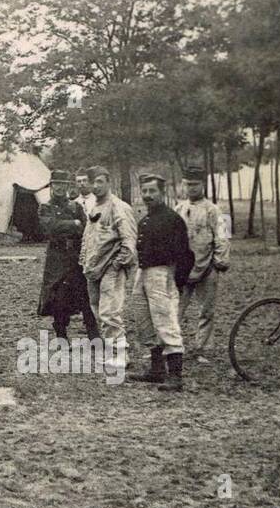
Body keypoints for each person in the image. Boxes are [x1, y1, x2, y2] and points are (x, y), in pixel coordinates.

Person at [129, 174, 193, 391]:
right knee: (143, 319)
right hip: (143, 271)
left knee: (165, 320)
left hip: (163, 273)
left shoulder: (172, 219)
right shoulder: (145, 220)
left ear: (162, 193)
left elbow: (185, 254)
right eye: (144, 191)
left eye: (152, 191)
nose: (147, 196)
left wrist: (177, 282)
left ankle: (175, 375)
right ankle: (157, 370)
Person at [81, 166, 137, 376]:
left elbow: (129, 241)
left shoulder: (118, 207)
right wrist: (85, 262)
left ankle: (121, 355)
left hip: (111, 268)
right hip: (93, 269)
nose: (95, 186)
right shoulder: (95, 207)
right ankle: (112, 351)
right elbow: (89, 238)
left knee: (110, 312)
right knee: (98, 310)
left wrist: (116, 264)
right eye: (92, 182)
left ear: (108, 182)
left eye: (100, 182)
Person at [174, 166, 230, 362]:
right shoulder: (179, 209)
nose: (191, 188)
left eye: (195, 184)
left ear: (203, 185)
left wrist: (218, 262)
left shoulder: (213, 210)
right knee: (175, 309)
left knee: (206, 311)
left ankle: (202, 349)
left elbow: (222, 237)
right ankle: (172, 347)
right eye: (188, 184)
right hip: (182, 268)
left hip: (207, 267)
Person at [37, 169, 98, 340]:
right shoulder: (45, 207)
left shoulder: (75, 206)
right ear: (51, 186)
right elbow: (50, 228)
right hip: (56, 257)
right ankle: (61, 333)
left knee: (84, 294)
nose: (59, 188)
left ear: (68, 186)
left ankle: (94, 334)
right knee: (59, 296)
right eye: (56, 184)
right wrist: (74, 223)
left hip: (75, 255)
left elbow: (86, 228)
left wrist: (71, 225)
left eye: (63, 184)